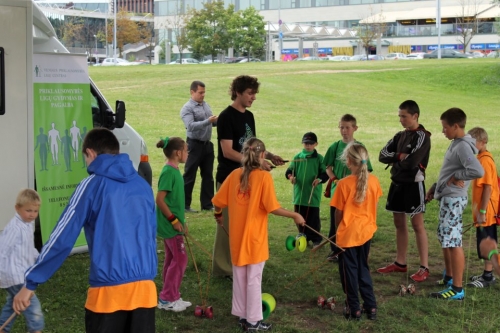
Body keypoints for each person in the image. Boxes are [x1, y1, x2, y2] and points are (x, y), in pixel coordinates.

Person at [13, 128, 158, 333]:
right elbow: (151, 234)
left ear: (90, 153)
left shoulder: (91, 185)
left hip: (108, 294)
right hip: (145, 291)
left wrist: (31, 282)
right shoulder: (142, 185)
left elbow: (62, 237)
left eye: (85, 159)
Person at [212, 137, 305, 331]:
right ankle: (253, 321)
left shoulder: (234, 174)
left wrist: (218, 215)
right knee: (253, 279)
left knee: (240, 277)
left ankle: (242, 316)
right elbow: (273, 208)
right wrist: (295, 215)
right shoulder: (263, 177)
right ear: (262, 155)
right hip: (254, 241)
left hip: (237, 240)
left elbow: (217, 201)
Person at [213, 75, 285, 278]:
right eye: (250, 93)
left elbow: (253, 146)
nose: (253, 97)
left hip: (248, 177)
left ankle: (242, 263)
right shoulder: (226, 116)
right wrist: (256, 162)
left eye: (254, 93)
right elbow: (227, 151)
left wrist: (268, 156)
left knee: (245, 224)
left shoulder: (249, 116)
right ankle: (222, 268)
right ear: (238, 92)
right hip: (230, 178)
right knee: (227, 226)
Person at [425, 108, 484, 300]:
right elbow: (448, 170)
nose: (443, 131)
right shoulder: (456, 143)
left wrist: (457, 176)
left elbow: (477, 171)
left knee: (453, 241)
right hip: (447, 197)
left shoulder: (462, 146)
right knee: (446, 238)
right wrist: (436, 186)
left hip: (454, 199)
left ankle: (457, 289)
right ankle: (449, 277)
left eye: (445, 127)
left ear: (456, 126)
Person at [377, 100, 431, 282]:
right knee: (399, 223)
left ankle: (424, 267)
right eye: (399, 116)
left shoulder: (423, 136)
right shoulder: (399, 135)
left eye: (404, 116)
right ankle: (400, 263)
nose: (401, 119)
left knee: (417, 225)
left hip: (413, 185)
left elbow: (413, 161)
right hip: (397, 183)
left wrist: (397, 161)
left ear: (415, 116)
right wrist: (400, 156)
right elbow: (382, 155)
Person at [331, 143, 382, 321]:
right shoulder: (374, 180)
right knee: (363, 269)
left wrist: (338, 231)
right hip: (366, 232)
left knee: (349, 272)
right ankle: (371, 306)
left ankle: (355, 308)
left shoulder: (344, 184)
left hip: (348, 235)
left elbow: (338, 212)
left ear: (349, 161)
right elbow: (374, 205)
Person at [323, 114, 372, 261]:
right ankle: (336, 249)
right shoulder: (335, 146)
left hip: (354, 192)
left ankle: (352, 247)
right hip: (337, 191)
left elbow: (366, 169)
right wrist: (334, 178)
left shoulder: (359, 147)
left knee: (351, 221)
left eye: (347, 127)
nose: (344, 131)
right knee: (336, 221)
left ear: (355, 128)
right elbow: (328, 167)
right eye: (341, 127)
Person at [155, 136, 192, 312]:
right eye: (186, 150)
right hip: (171, 226)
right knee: (180, 259)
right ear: (178, 153)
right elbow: (160, 200)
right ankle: (166, 298)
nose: (188, 153)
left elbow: (174, 201)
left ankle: (171, 295)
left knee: (172, 259)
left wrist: (182, 221)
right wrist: (175, 221)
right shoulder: (169, 172)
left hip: (175, 225)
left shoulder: (175, 170)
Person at [0, 189, 44, 333]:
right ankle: (36, 329)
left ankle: (3, 328)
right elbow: (2, 249)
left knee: (13, 303)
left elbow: (28, 248)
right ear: (17, 208)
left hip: (22, 272)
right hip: (14, 275)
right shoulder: (15, 228)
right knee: (30, 304)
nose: (32, 214)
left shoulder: (28, 225)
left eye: (35, 211)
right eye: (28, 210)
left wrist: (39, 258)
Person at [466, 127, 499, 288]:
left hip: (486, 213)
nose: (471, 146)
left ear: (483, 142)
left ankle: (488, 277)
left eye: (473, 142)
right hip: (482, 211)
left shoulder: (485, 160)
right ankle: (487, 273)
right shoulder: (480, 157)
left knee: (486, 242)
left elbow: (487, 188)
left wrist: (483, 211)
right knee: (483, 241)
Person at [285, 132, 328, 248]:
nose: (308, 146)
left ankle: (316, 239)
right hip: (299, 194)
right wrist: (291, 177)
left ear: (316, 144)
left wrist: (319, 180)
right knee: (299, 215)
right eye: (306, 143)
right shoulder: (297, 157)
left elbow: (325, 174)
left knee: (313, 217)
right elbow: (289, 171)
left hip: (312, 193)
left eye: (311, 143)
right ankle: (302, 235)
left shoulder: (319, 159)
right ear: (302, 143)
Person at [180, 81, 218, 213]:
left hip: (207, 145)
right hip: (194, 145)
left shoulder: (205, 105)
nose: (203, 95)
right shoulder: (187, 108)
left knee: (208, 175)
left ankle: (207, 204)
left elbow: (211, 123)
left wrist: (218, 121)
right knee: (190, 174)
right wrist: (209, 121)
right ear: (192, 92)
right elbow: (190, 126)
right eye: (200, 92)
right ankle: (184, 205)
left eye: (204, 92)